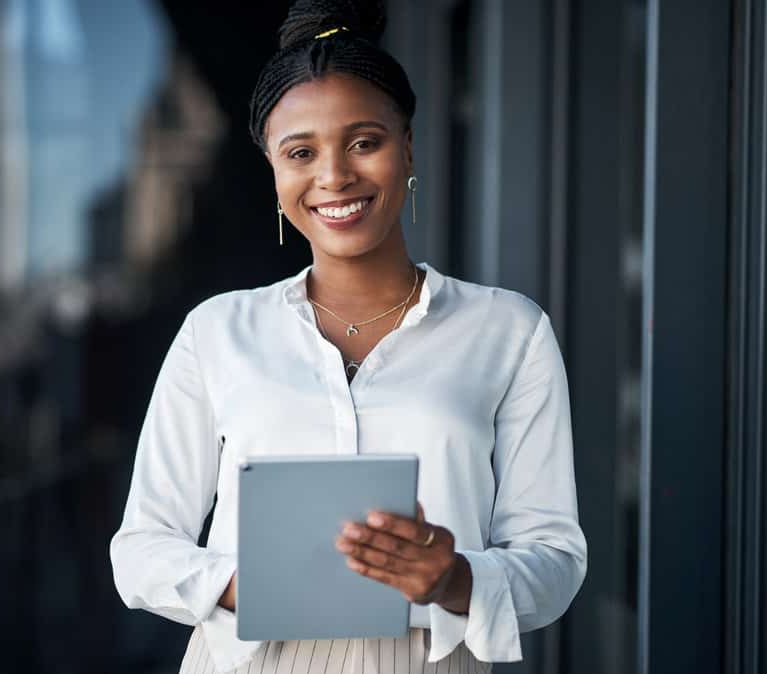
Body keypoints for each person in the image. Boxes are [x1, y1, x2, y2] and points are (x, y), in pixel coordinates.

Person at [109, 1, 587, 673]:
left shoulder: (509, 331)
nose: (334, 176)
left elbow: (556, 560)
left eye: (365, 141)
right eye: (301, 152)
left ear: (409, 146)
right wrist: (266, 585)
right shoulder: (216, 332)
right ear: (275, 174)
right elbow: (140, 550)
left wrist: (452, 577)